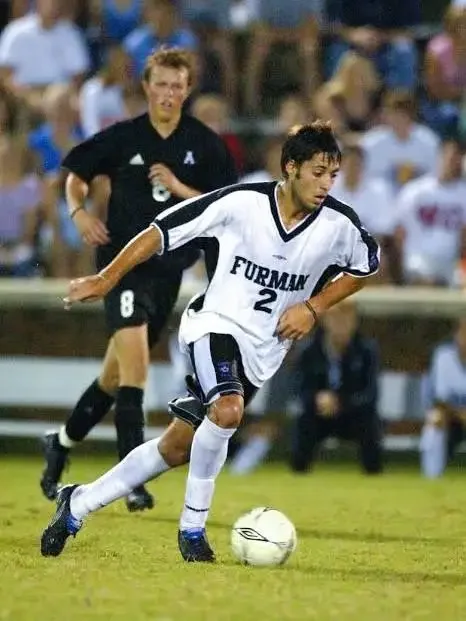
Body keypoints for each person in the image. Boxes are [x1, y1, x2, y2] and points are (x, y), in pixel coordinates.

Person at [40, 121, 380, 562]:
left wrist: (313, 307)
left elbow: (366, 266)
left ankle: (77, 503)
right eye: (317, 172)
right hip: (213, 326)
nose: (325, 183)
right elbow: (161, 231)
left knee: (177, 447)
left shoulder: (338, 225)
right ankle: (193, 532)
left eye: (332, 174)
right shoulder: (242, 203)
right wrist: (106, 278)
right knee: (228, 408)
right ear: (290, 168)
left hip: (263, 351)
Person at [39, 46, 238, 511]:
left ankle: (62, 443)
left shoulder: (204, 143)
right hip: (122, 269)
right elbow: (75, 172)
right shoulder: (123, 137)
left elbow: (229, 204)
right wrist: (78, 211)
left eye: (177, 85)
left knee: (114, 376)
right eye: (161, 84)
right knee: (137, 370)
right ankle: (132, 481)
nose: (169, 93)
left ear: (188, 90)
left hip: (167, 273)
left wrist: (180, 187)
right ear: (146, 87)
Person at [289, 298, 383, 475]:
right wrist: (317, 399)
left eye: (347, 318)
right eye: (336, 317)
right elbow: (299, 389)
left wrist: (340, 402)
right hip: (319, 414)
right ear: (325, 319)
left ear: (355, 321)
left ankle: (373, 473)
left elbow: (371, 393)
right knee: (303, 421)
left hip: (352, 414)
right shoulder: (308, 351)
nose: (342, 323)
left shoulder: (367, 351)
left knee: (370, 422)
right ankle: (298, 472)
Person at [420, 318, 466, 478]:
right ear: (456, 335)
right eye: (463, 333)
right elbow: (440, 400)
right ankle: (432, 475)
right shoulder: (444, 357)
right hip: (450, 417)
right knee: (435, 420)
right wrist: (460, 414)